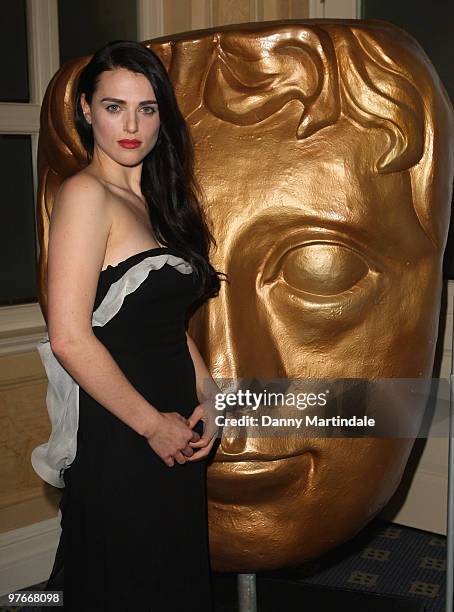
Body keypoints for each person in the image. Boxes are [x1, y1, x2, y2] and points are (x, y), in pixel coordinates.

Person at [38, 39, 225, 611]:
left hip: (174, 427)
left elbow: (166, 324)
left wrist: (208, 392)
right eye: (114, 106)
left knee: (172, 578)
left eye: (147, 108)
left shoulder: (155, 200)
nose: (132, 125)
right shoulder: (85, 194)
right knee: (128, 582)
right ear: (86, 110)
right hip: (125, 433)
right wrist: (151, 425)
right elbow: (69, 336)